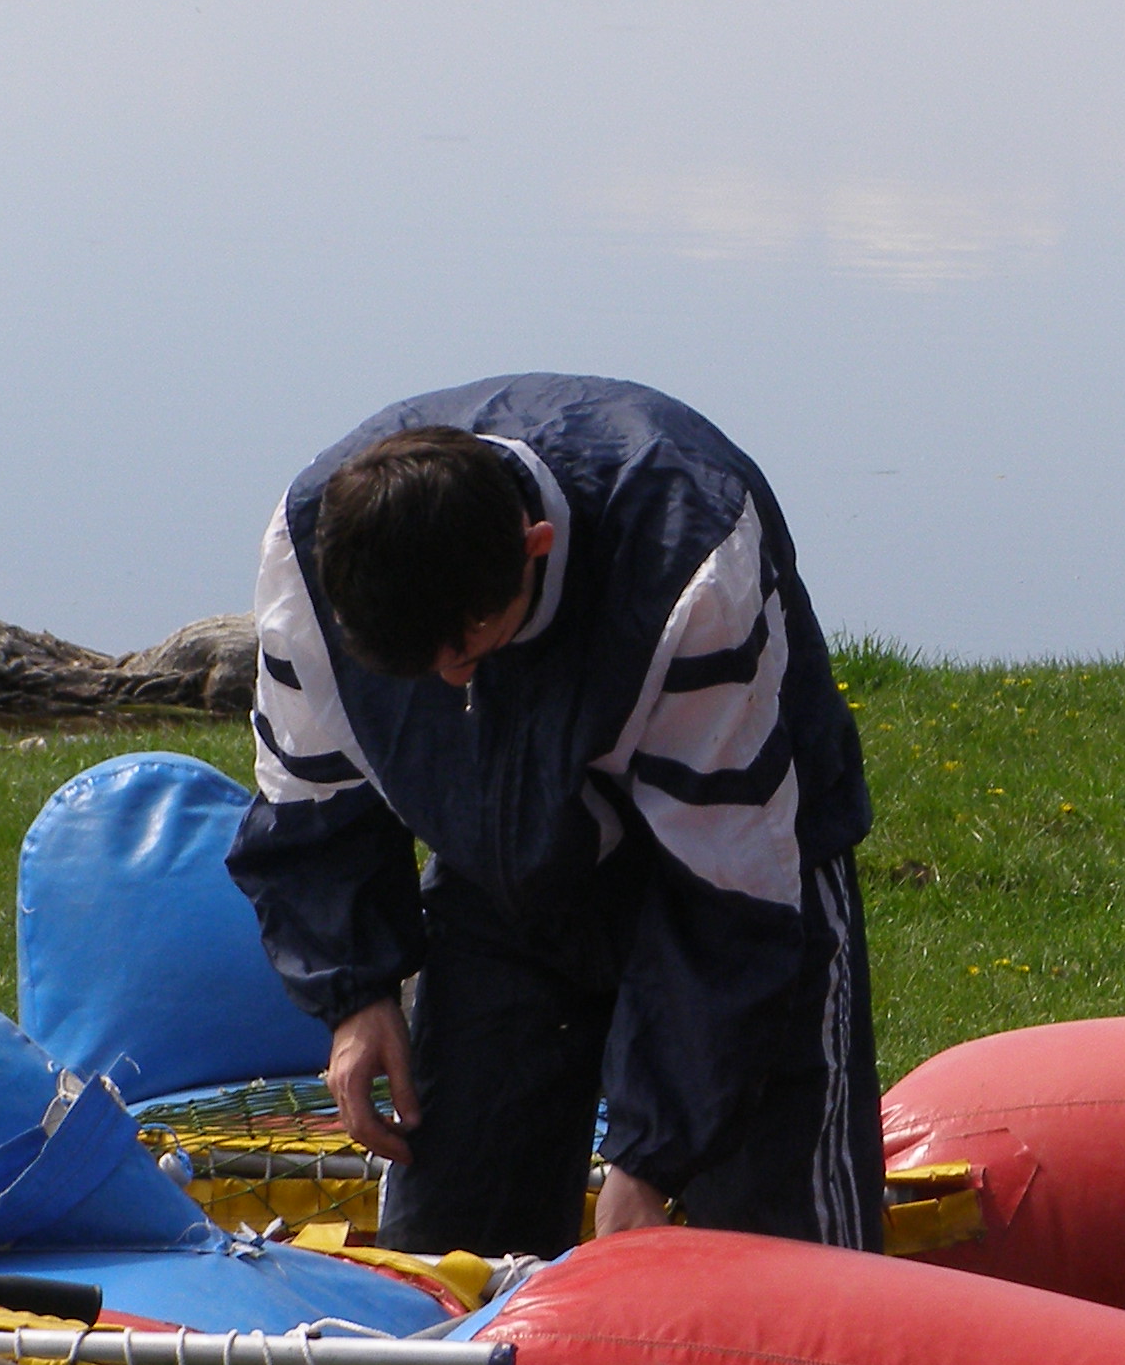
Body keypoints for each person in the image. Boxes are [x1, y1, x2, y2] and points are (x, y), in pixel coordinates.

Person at [225, 373, 880, 1262]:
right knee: (451, 1237)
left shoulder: (690, 565)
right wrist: (356, 993)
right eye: (415, 669)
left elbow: (728, 901)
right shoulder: (307, 556)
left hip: (743, 880)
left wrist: (648, 1160)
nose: (453, 680)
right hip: (499, 876)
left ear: (535, 547)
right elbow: (310, 801)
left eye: (467, 648)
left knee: (773, 1249)